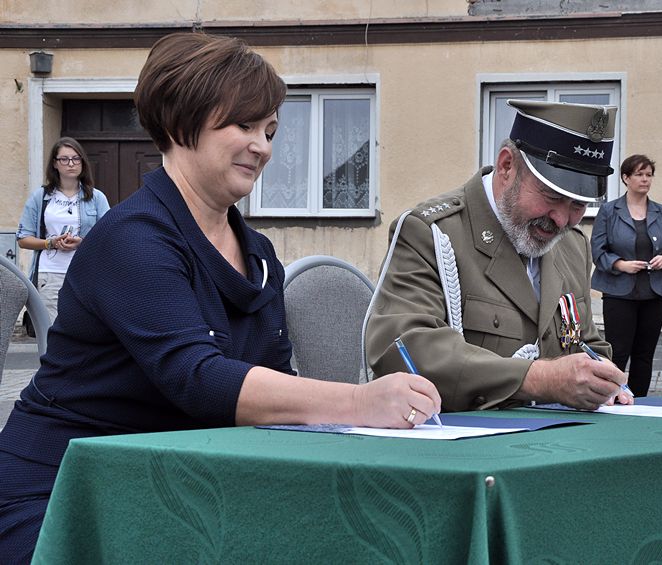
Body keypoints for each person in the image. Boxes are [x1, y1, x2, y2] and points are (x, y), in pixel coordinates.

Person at [0, 32, 440, 563]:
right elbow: (197, 377)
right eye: (243, 125)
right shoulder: (133, 238)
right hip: (66, 497)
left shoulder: (259, 255)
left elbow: (277, 392)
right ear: (179, 123)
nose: (264, 146)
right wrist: (359, 402)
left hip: (181, 490)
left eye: (269, 130)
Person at [364, 100, 633, 413]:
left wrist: (604, 380)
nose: (562, 220)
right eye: (552, 196)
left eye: (578, 205)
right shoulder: (430, 233)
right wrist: (539, 379)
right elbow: (406, 350)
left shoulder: (572, 246)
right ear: (507, 166)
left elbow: (584, 341)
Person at [590, 154, 662, 397]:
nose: (645, 179)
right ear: (626, 178)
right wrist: (621, 264)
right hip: (619, 294)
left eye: (649, 175)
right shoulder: (609, 211)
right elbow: (598, 251)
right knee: (618, 352)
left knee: (644, 354)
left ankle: (639, 402)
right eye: (639, 174)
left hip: (656, 293)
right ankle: (612, 398)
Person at [16, 137, 111, 325]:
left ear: (82, 162)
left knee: (83, 330)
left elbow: (108, 236)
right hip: (49, 274)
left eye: (76, 158)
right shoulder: (40, 197)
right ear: (55, 163)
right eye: (64, 159)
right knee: (51, 331)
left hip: (84, 273)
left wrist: (82, 242)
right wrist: (50, 243)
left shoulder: (96, 198)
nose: (71, 164)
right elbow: (23, 238)